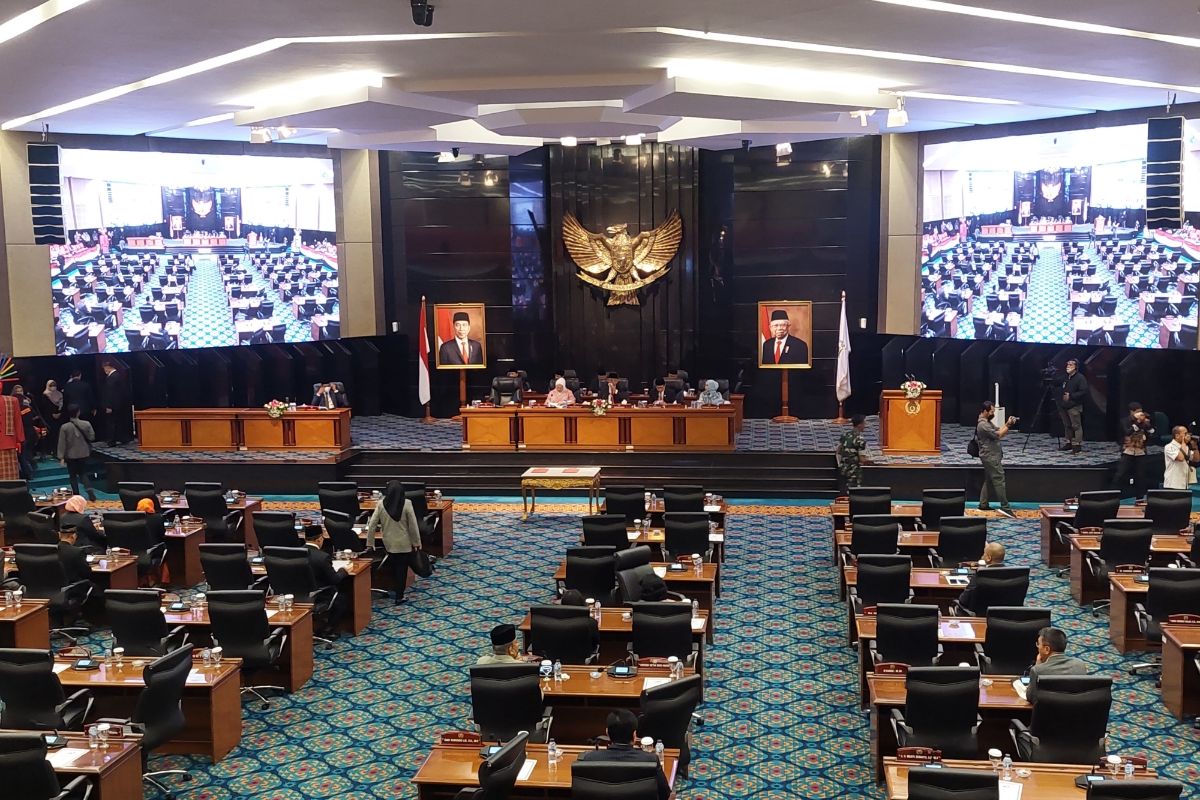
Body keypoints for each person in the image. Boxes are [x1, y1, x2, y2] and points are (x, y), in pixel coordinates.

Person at [576, 709, 672, 800]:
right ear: (634, 735)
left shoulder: (589, 759)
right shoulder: (650, 760)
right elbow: (664, 794)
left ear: (607, 733)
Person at [362, 480, 423, 604]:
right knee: (401, 569)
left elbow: (372, 524)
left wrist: (370, 542)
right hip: (404, 543)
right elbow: (413, 525)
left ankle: (393, 588)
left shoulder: (380, 504)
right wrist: (417, 542)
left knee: (393, 566)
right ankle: (399, 596)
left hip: (388, 543)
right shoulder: (407, 504)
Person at [1022, 626, 1088, 704]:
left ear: (1047, 649)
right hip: (1074, 714)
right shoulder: (1080, 665)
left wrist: (1038, 665)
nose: (1038, 648)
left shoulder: (1037, 671)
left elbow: (1030, 697)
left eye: (1038, 644)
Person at [303, 524, 349, 632]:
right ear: (319, 539)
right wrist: (343, 571)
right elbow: (334, 580)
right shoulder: (322, 557)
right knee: (342, 598)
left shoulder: (294, 554)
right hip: (319, 595)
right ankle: (329, 628)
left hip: (298, 594)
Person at [976, 401, 1017, 518]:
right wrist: (1008, 425)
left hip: (991, 455)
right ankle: (1005, 507)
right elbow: (998, 435)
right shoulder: (983, 425)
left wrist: (1008, 423)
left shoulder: (987, 422)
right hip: (990, 456)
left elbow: (999, 430)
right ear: (985, 411)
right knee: (999, 479)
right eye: (992, 411)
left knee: (989, 479)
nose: (993, 413)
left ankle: (983, 504)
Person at [1112, 402, 1155, 499]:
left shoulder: (1145, 421)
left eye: (1141, 411)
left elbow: (1152, 433)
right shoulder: (1124, 421)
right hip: (1128, 450)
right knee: (1120, 474)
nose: (1140, 414)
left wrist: (1147, 425)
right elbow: (1127, 432)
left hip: (1140, 451)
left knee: (1141, 476)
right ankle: (1113, 495)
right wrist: (1137, 423)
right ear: (1132, 412)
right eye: (1137, 412)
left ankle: (1140, 497)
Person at [57, 405, 96, 500]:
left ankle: (76, 495)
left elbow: (62, 443)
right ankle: (90, 491)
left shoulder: (64, 427)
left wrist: (61, 457)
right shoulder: (86, 424)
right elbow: (92, 437)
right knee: (83, 473)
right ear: (78, 412)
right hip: (84, 453)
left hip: (70, 455)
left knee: (72, 475)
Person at [954, 542, 1006, 612]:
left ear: (988, 558)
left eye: (984, 554)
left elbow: (963, 600)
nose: (982, 556)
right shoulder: (1013, 575)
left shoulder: (981, 575)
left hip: (979, 616)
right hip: (1005, 616)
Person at [1056, 359, 1087, 454]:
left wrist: (1071, 396)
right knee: (1067, 426)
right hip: (1064, 406)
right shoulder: (1066, 377)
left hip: (1074, 405)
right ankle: (1069, 442)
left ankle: (1077, 445)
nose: (1068, 366)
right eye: (1067, 364)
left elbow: (1084, 391)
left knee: (1076, 426)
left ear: (1076, 367)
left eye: (1071, 364)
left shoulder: (1080, 378)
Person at [100, 362, 131, 446]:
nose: (104, 370)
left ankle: (111, 441)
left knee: (111, 423)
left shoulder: (113, 377)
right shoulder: (118, 375)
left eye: (104, 368)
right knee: (119, 422)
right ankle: (123, 438)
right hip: (119, 404)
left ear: (108, 367)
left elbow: (110, 393)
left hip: (113, 405)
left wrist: (109, 406)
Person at [836, 415, 870, 491]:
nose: (865, 425)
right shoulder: (860, 439)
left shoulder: (845, 435)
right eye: (864, 423)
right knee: (854, 492)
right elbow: (862, 459)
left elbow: (838, 451)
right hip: (854, 471)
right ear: (859, 425)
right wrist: (871, 462)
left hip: (843, 468)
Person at [1163, 426, 1198, 490]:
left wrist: (1194, 446)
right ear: (1177, 436)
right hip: (1173, 484)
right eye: (1185, 433)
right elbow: (1181, 458)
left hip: (1184, 483)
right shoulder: (1169, 447)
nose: (1187, 436)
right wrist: (1183, 442)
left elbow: (1196, 459)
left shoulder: (1186, 447)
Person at [0, 391, 24, 481]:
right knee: (9, 481)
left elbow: (18, 422)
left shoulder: (13, 401)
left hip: (9, 445)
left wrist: (19, 440)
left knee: (9, 481)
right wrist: (19, 440)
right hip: (8, 443)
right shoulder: (12, 401)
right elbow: (18, 422)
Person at [38, 380, 65, 460]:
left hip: (58, 418)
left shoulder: (60, 394)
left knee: (57, 434)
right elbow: (44, 407)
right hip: (49, 418)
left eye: (54, 385)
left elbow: (62, 405)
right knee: (49, 434)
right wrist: (52, 413)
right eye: (51, 385)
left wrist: (59, 413)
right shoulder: (45, 395)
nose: (53, 387)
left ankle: (56, 451)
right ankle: (48, 451)